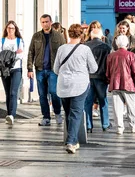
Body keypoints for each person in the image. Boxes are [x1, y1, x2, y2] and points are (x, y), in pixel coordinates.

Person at [54, 24, 98, 153]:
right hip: (80, 84)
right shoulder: (85, 50)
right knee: (76, 112)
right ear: (81, 35)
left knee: (69, 113)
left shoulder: (61, 49)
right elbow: (94, 68)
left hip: (63, 85)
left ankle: (73, 139)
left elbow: (56, 69)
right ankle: (71, 141)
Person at [27, 14, 66, 126]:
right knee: (42, 94)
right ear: (41, 23)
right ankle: (46, 117)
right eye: (43, 22)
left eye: (47, 21)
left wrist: (63, 69)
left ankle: (58, 113)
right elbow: (31, 52)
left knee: (54, 92)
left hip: (53, 69)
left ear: (51, 22)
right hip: (40, 69)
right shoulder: (36, 36)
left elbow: (64, 52)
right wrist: (30, 68)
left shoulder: (58, 36)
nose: (45, 24)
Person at [106, 35, 135, 135]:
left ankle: (119, 128)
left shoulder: (111, 56)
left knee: (117, 108)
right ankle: (133, 126)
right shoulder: (131, 55)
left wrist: (109, 80)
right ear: (127, 44)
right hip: (129, 84)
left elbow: (108, 72)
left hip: (115, 84)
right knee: (131, 107)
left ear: (117, 44)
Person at [84, 28, 112, 133]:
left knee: (88, 102)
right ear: (101, 36)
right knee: (103, 100)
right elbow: (108, 63)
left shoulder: (85, 46)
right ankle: (105, 124)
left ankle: (88, 125)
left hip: (88, 77)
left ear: (91, 36)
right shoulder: (106, 47)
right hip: (101, 77)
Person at [1, 21, 25, 125]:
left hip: (16, 69)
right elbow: (1, 55)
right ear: (6, 29)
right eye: (9, 28)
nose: (11, 30)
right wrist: (14, 53)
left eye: (12, 28)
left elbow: (21, 55)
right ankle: (9, 114)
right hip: (4, 70)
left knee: (13, 92)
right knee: (7, 93)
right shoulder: (2, 41)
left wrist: (8, 55)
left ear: (16, 29)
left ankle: (12, 115)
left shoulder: (19, 41)